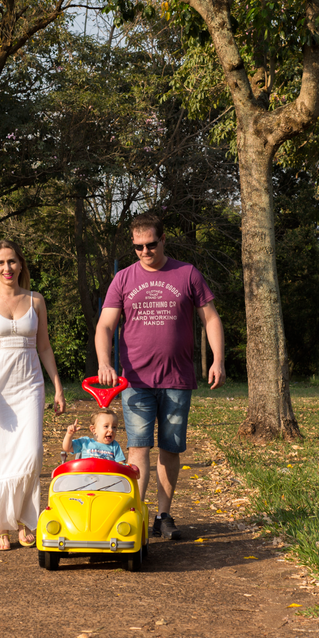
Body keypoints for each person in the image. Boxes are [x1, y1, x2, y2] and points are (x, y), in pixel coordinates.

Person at [95, 213, 224, 540]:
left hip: (177, 379)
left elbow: (210, 318)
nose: (144, 251)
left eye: (151, 244)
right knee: (138, 449)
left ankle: (163, 515)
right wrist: (104, 362)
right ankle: (135, 515)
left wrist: (218, 360)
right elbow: (105, 326)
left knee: (170, 448)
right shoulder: (123, 279)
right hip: (135, 382)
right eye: (138, 246)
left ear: (163, 239)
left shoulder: (187, 274)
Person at [0, 239, 65, 551]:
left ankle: (23, 519)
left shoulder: (36, 300)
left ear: (21, 265)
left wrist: (58, 386)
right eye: (1, 263)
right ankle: (2, 528)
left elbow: (44, 346)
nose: (7, 268)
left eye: (12, 262)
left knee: (31, 455)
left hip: (29, 386)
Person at [63, 411, 127, 462]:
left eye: (114, 427)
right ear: (93, 429)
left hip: (107, 476)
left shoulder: (115, 446)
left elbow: (120, 464)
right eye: (106, 426)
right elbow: (67, 448)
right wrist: (69, 434)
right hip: (86, 475)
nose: (111, 430)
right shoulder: (85, 442)